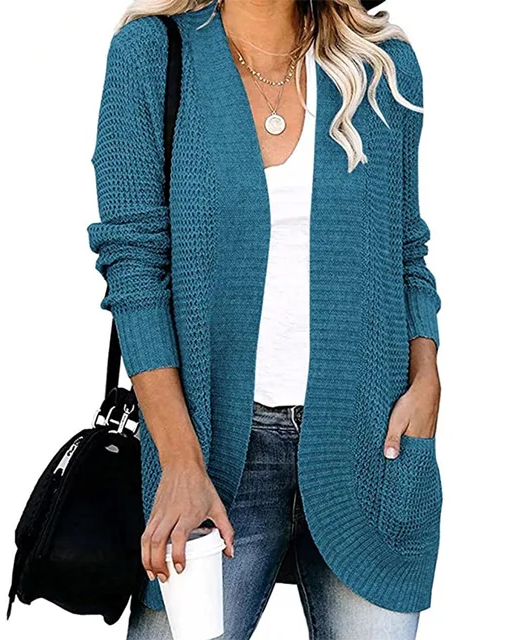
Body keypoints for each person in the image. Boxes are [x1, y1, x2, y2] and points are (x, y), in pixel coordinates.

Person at [87, 0, 443, 638]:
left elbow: (405, 247)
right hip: (210, 451)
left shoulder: (381, 63)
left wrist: (427, 374)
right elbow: (134, 270)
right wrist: (179, 459)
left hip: (372, 443)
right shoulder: (152, 55)